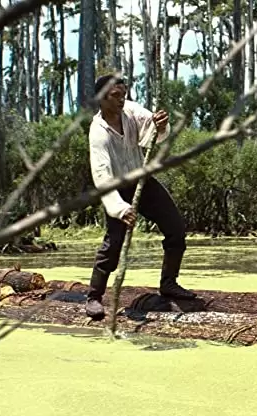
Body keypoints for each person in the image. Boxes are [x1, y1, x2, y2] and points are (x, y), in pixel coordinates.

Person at [84, 74, 196, 321]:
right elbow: (102, 176)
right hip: (116, 189)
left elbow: (151, 133)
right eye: (115, 95)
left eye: (124, 94)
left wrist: (161, 124)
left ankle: (169, 283)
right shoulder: (98, 133)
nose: (122, 99)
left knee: (175, 228)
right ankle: (94, 296)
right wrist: (120, 209)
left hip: (142, 181)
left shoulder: (131, 111)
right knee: (113, 245)